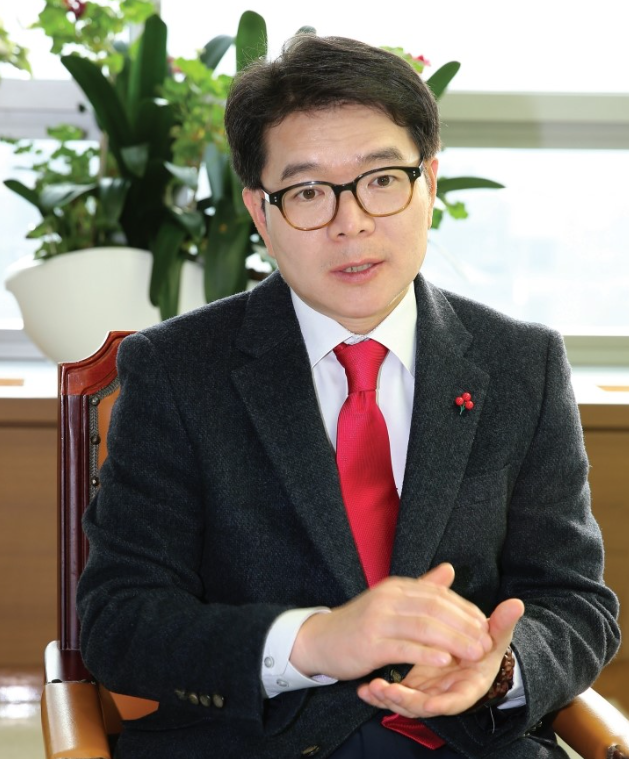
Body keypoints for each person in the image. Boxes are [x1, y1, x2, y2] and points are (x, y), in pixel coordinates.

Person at [76, 34, 620, 759]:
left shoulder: (523, 365)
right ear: (260, 212)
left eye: (382, 179)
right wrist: (313, 641)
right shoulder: (176, 371)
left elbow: (575, 601)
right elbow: (120, 621)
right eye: (307, 192)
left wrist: (499, 670)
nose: (351, 221)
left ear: (428, 182)